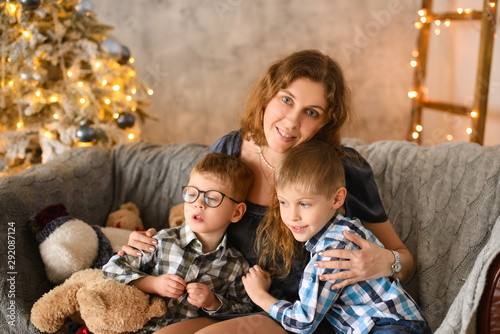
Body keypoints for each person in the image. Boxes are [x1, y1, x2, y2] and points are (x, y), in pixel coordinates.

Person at [120, 49, 415, 334]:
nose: (291, 121)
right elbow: (195, 226)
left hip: (300, 316)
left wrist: (388, 261)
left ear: (326, 122)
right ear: (266, 96)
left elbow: (405, 259)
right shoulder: (230, 151)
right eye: (286, 100)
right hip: (228, 303)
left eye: (311, 112)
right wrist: (147, 244)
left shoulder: (340, 168)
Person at [242, 140, 430, 334]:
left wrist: (260, 296)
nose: (292, 216)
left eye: (304, 204)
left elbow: (304, 322)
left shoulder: (331, 252)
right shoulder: (345, 228)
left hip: (391, 326)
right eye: (283, 202)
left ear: (337, 199)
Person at [103, 152, 254, 333]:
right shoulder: (162, 241)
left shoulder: (236, 264)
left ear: (237, 213)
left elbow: (244, 310)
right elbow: (111, 270)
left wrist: (213, 302)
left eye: (212, 198)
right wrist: (152, 283)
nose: (198, 203)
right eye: (192, 194)